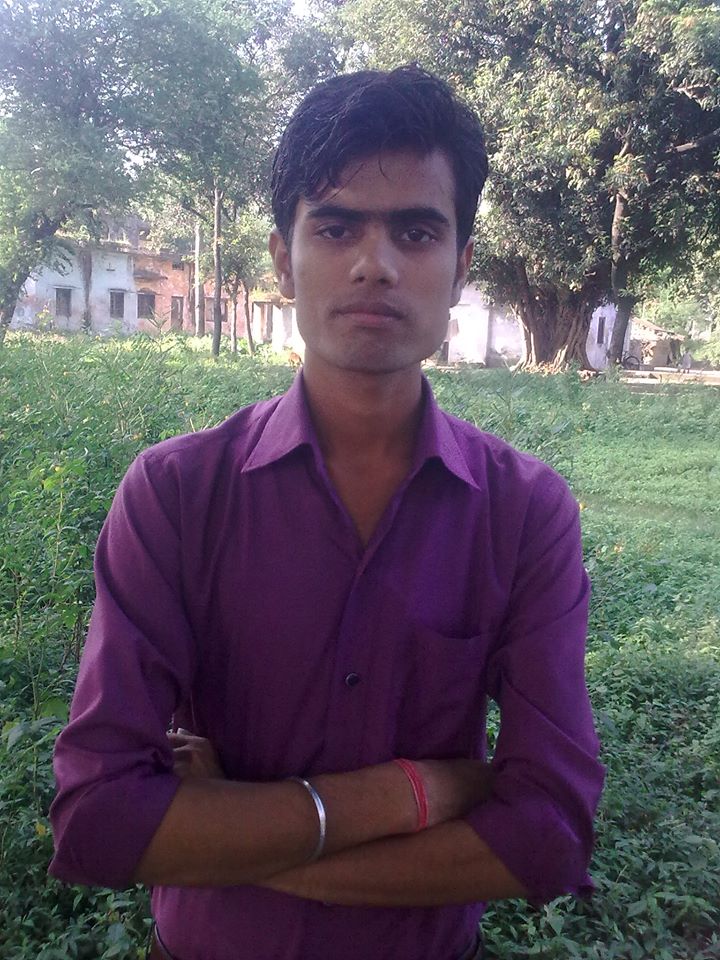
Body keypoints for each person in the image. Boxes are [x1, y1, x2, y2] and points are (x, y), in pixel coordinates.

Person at [49, 66, 605, 960]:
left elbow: (549, 833)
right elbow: (99, 818)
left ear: (461, 268)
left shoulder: (524, 515)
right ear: (283, 258)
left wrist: (229, 834)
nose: (374, 263)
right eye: (337, 226)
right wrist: (413, 793)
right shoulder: (176, 495)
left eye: (416, 231)